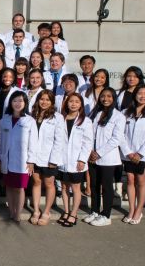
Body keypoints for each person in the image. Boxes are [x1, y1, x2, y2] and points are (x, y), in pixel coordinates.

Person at [85, 87, 124, 226]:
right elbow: (89, 134)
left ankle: (106, 215)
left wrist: (99, 153)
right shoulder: (95, 113)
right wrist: (90, 151)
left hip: (107, 157)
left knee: (107, 187)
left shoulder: (119, 116)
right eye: (103, 96)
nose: (105, 99)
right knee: (94, 185)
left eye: (109, 96)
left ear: (113, 99)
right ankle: (94, 211)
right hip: (92, 156)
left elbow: (116, 139)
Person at [121, 84, 145, 225]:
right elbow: (121, 134)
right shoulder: (126, 112)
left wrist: (140, 153)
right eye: (140, 93)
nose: (142, 96)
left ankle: (139, 210)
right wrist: (128, 152)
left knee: (141, 181)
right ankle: (131, 209)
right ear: (135, 95)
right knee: (130, 180)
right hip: (128, 154)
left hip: (144, 155)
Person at [28, 91, 67, 226]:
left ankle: (46, 211)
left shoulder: (58, 117)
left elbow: (59, 140)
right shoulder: (32, 116)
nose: (44, 102)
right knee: (36, 182)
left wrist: (54, 159)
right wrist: (30, 159)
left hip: (49, 157)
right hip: (34, 156)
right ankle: (36, 211)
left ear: (52, 102)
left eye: (47, 100)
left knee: (49, 184)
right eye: (42, 99)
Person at [0, 91, 35, 223]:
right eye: (15, 101)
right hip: (6, 159)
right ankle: (11, 211)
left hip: (22, 160)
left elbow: (33, 142)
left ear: (25, 103)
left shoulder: (29, 121)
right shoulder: (4, 120)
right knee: (9, 186)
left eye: (21, 101)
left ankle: (18, 214)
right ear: (11, 103)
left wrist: (31, 161)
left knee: (19, 188)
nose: (18, 103)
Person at [57, 93, 93, 227]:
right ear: (66, 103)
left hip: (77, 160)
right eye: (71, 101)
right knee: (64, 186)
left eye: (77, 102)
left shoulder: (86, 121)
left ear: (81, 105)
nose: (73, 104)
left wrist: (82, 159)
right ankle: (66, 211)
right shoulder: (61, 119)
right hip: (62, 160)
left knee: (75, 188)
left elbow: (87, 143)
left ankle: (73, 214)